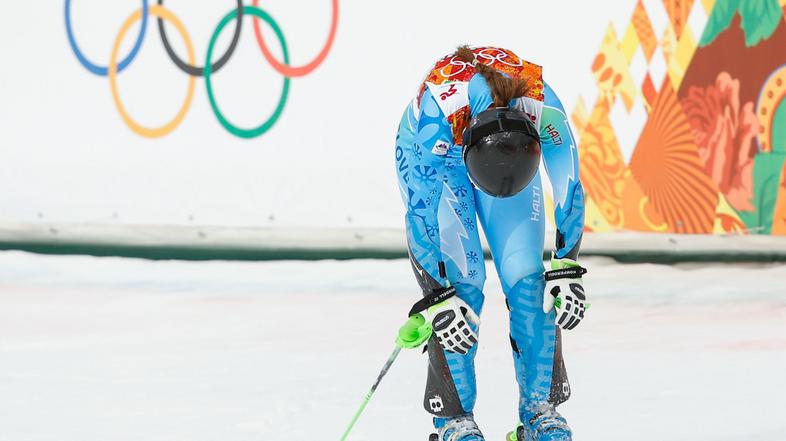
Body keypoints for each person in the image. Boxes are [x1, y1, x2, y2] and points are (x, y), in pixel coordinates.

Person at [394, 46, 587, 441]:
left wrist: (567, 264)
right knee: (462, 286)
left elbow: (568, 185)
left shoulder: (542, 107)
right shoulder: (436, 116)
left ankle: (540, 411)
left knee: (529, 279)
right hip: (440, 157)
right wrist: (436, 295)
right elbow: (420, 215)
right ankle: (453, 421)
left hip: (502, 146)